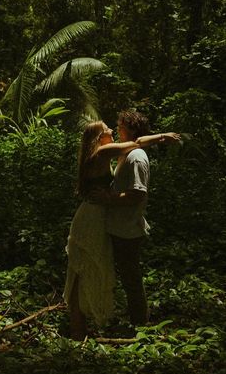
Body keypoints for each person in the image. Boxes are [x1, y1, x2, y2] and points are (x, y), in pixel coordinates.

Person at [63, 120, 180, 340]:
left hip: (94, 214)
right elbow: (136, 143)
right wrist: (162, 136)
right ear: (99, 138)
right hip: (92, 217)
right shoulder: (103, 151)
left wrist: (161, 136)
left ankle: (80, 326)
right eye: (107, 129)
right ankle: (77, 328)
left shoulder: (99, 152)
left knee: (87, 267)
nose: (111, 131)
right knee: (84, 267)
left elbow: (135, 144)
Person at [106, 110, 171, 328]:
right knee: (125, 276)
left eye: (121, 126)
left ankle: (140, 324)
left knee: (131, 278)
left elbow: (138, 194)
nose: (117, 129)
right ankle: (133, 318)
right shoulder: (130, 151)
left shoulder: (136, 157)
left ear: (131, 129)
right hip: (119, 226)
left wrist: (108, 199)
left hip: (128, 229)